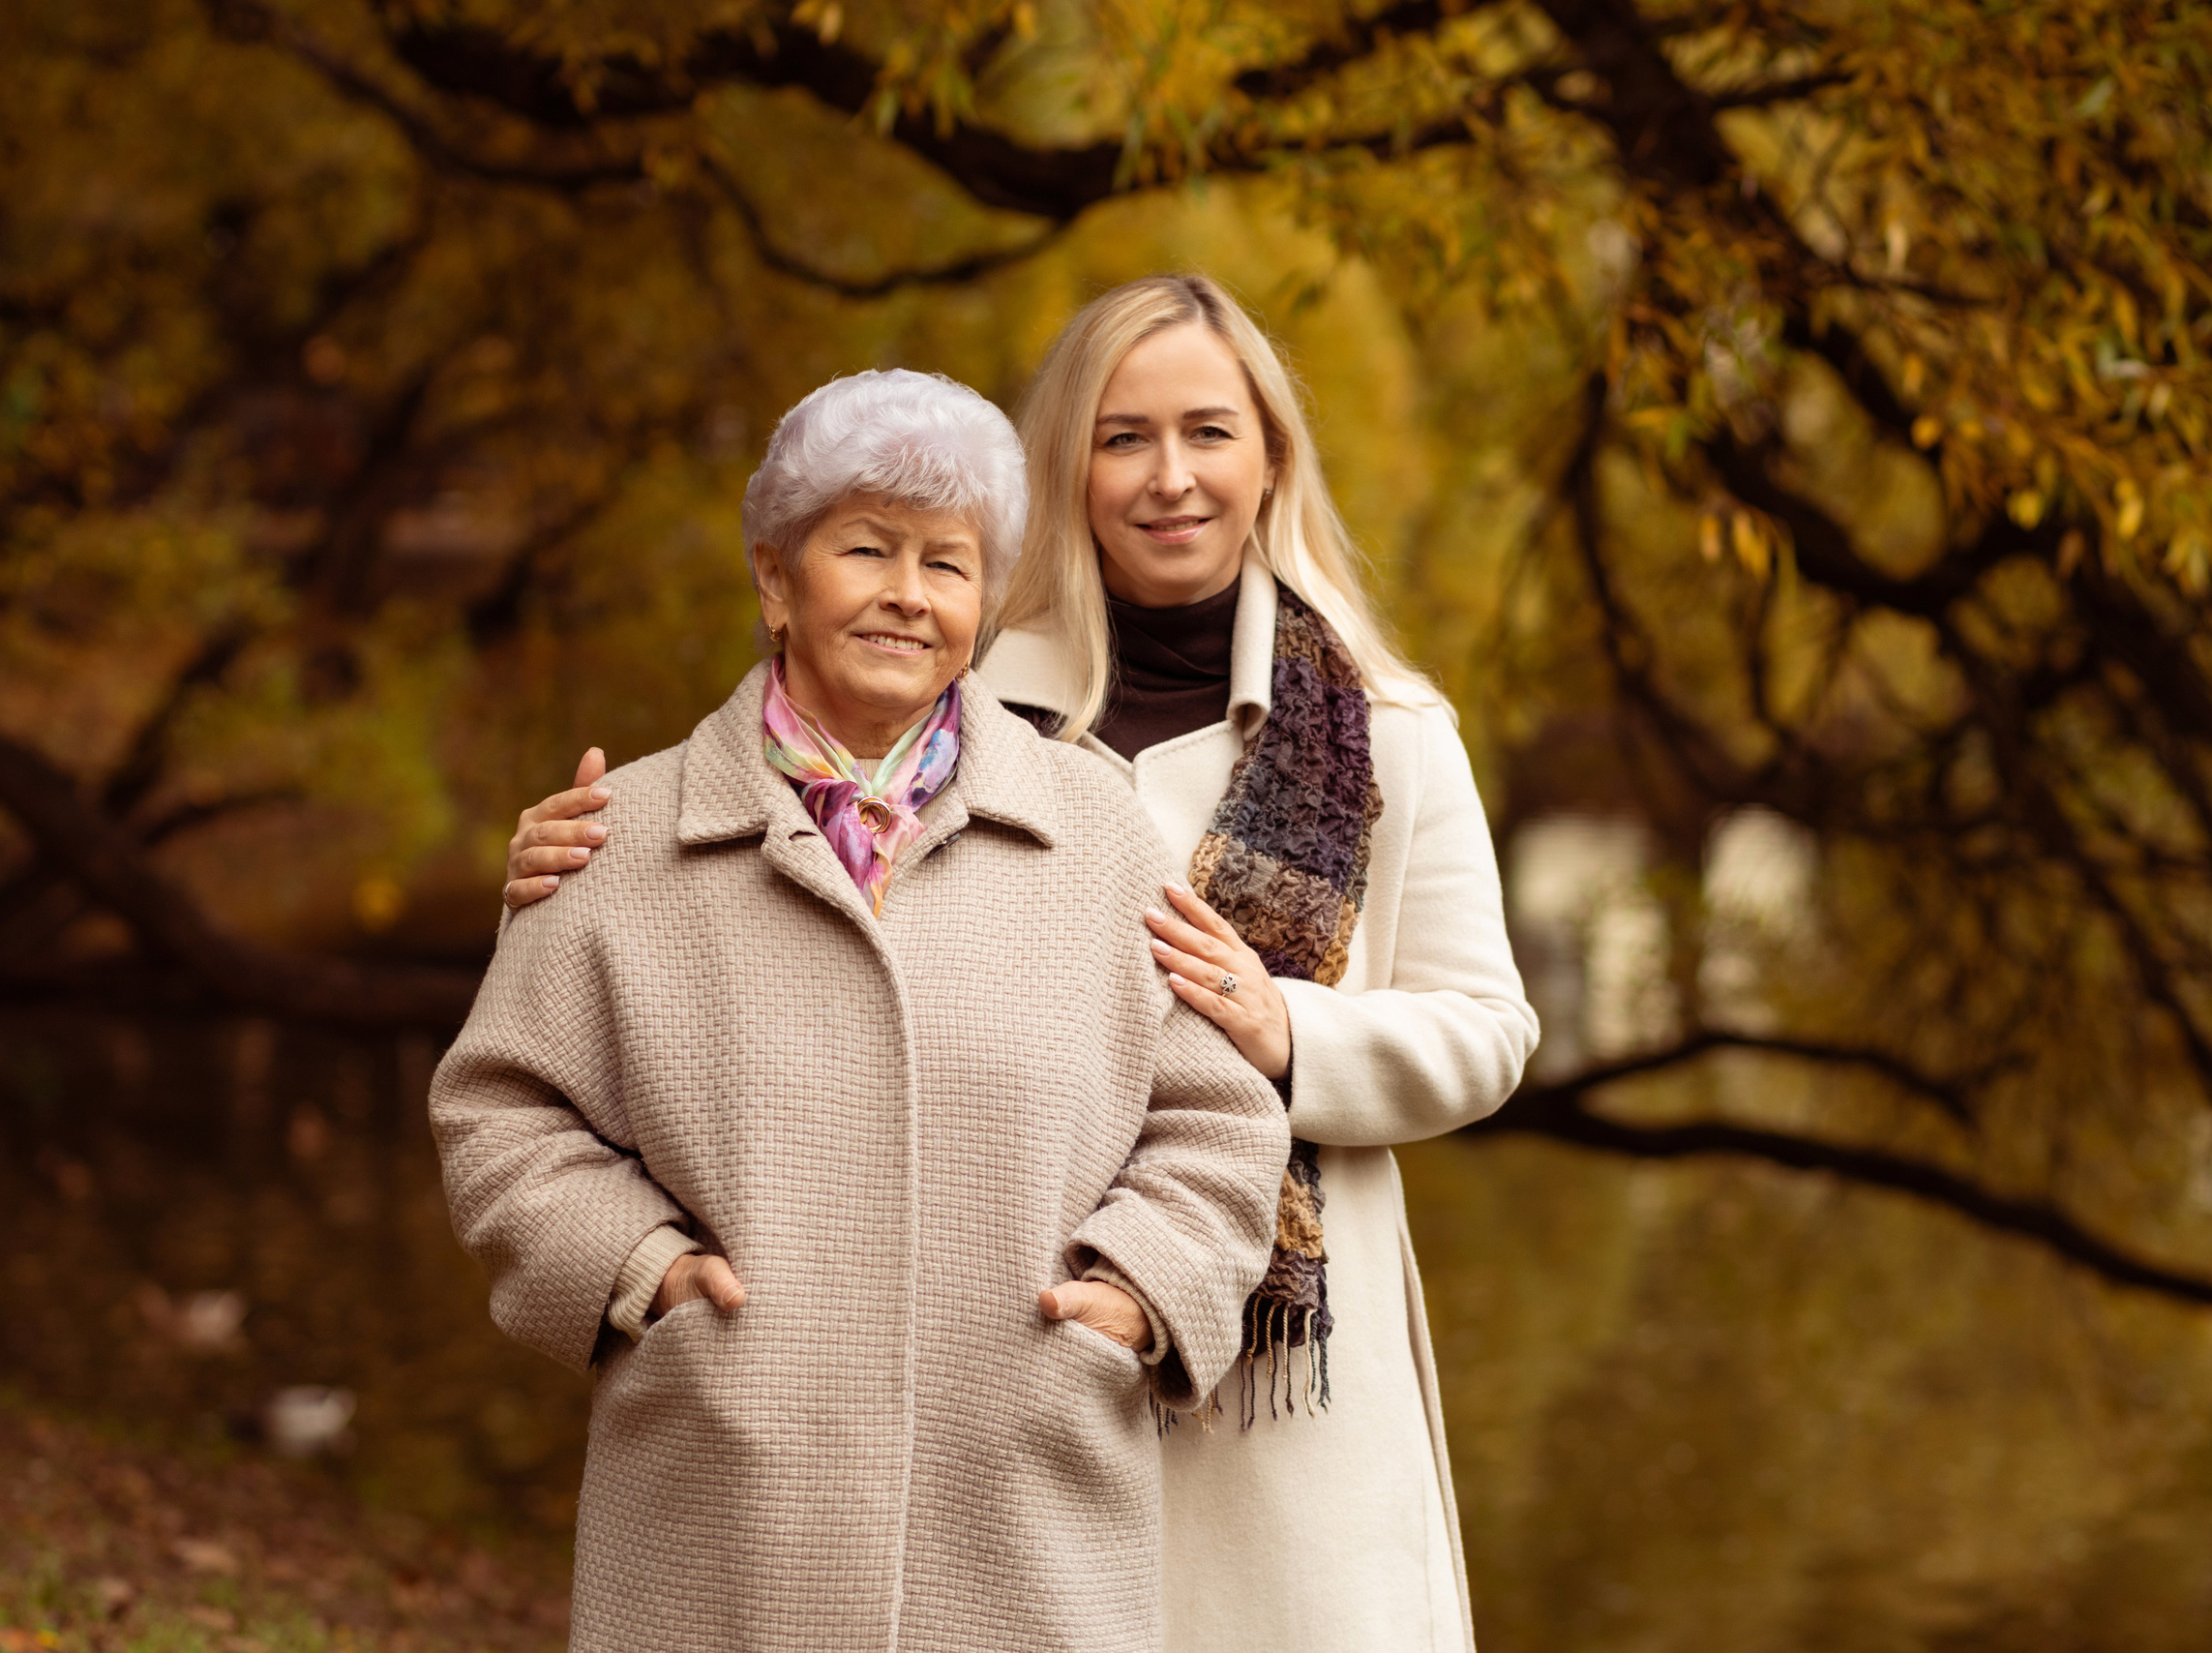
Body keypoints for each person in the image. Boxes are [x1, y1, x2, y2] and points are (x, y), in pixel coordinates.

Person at [504, 278, 1538, 1653]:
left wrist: (1285, 1033)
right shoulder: (961, 696)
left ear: (1270, 458)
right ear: (1066, 469)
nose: (1169, 477)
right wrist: (567, 870)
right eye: (1123, 438)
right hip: (984, 1367)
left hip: (1281, 1356)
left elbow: (1487, 1029)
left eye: (1209, 433)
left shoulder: (1389, 729)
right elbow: (758, 890)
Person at [437, 367, 1290, 1653]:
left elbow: (1217, 1121)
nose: (908, 593)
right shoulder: (619, 841)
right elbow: (502, 1118)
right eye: (866, 549)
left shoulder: (1099, 835)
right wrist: (642, 1275)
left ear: (983, 603)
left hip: (1026, 1503)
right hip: (723, 1509)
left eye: (948, 564)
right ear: (776, 578)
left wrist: (1135, 1294)